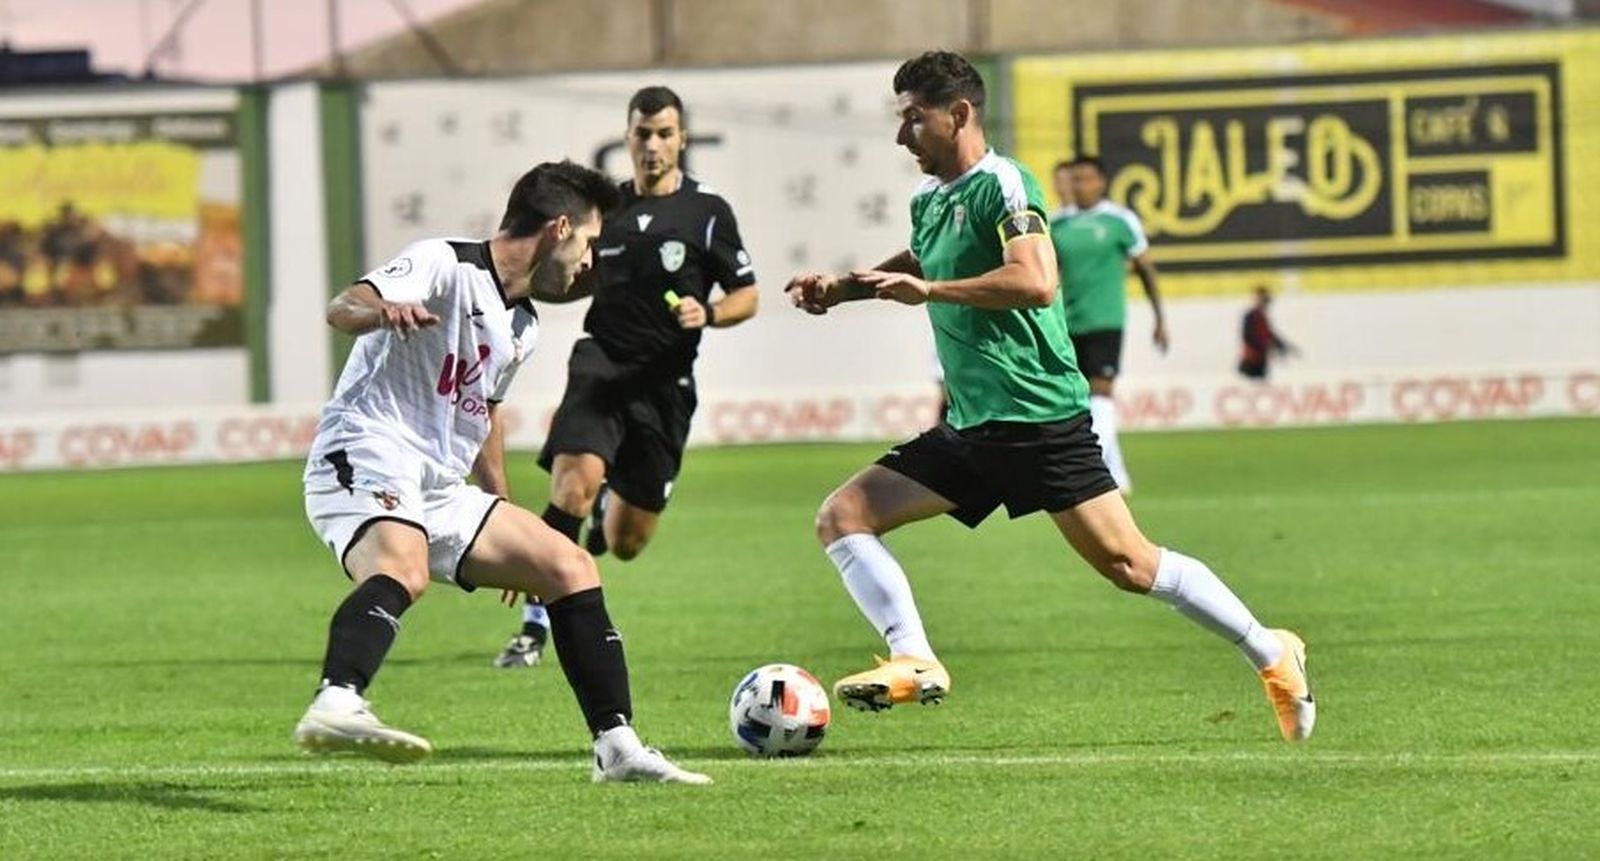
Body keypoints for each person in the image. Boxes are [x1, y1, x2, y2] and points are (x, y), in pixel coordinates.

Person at [785, 51, 1315, 743]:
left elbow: (1034, 280)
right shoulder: (930, 199)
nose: (901, 137)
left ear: (960, 114)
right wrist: (847, 287)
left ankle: (1273, 653)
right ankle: (914, 656)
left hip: (1039, 418)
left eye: (913, 120)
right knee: (843, 515)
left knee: (1132, 564)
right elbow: (924, 257)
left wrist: (934, 293)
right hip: (974, 426)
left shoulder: (1005, 184)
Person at [295, 160, 711, 784]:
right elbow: (343, 306)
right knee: (401, 568)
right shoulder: (444, 262)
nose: (590, 261)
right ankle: (336, 701)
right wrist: (382, 313)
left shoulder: (523, 324)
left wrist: (502, 509)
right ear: (559, 228)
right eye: (590, 243)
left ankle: (617, 747)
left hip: (437, 484)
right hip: (366, 447)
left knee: (568, 566)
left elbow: (482, 415)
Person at [496, 86, 760, 669]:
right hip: (601, 366)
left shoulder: (707, 213)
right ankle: (535, 626)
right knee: (571, 488)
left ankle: (607, 506)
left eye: (664, 133)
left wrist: (710, 313)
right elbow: (570, 279)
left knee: (626, 542)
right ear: (627, 136)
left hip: (666, 383)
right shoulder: (605, 210)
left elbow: (748, 294)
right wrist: (522, 282)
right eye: (642, 133)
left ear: (682, 140)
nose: (652, 145)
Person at [1050, 156, 1166, 494]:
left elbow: (1145, 269)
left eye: (1085, 179)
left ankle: (1100, 472)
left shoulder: (1120, 221)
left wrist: (1160, 318)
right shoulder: (1057, 226)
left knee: (1101, 392)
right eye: (1074, 179)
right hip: (1065, 323)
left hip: (1105, 319)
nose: (1078, 186)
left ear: (1101, 182)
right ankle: (1113, 470)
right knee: (1078, 400)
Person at [1239, 285, 1296, 380]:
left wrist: (1283, 346)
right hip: (1251, 361)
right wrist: (1267, 346)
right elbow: (1248, 336)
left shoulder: (1262, 317)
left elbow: (1270, 335)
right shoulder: (1250, 316)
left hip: (1261, 361)